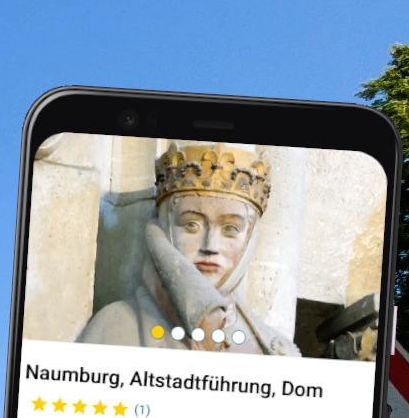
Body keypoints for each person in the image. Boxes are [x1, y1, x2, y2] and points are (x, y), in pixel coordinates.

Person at [77, 143, 299, 356]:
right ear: (165, 226)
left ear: (250, 237)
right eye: (191, 225)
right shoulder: (117, 327)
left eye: (230, 229)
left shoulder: (277, 351)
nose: (210, 246)